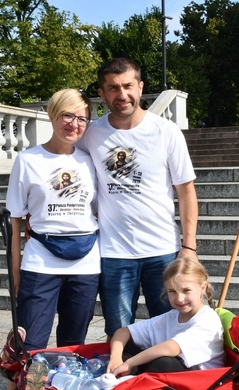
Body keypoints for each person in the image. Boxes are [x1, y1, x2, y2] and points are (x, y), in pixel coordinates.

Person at [0, 88, 100, 390]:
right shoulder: (28, 160)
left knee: (73, 349)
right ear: (53, 116)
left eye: (82, 118)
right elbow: (16, 222)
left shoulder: (90, 160)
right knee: (31, 353)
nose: (75, 124)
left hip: (86, 264)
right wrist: (16, 273)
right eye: (68, 116)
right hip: (40, 261)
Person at [81, 57, 199, 339]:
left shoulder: (165, 131)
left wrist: (189, 247)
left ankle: (162, 381)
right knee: (118, 332)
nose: (122, 95)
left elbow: (186, 190)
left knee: (171, 328)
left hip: (162, 249)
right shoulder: (92, 134)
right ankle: (122, 381)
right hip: (114, 253)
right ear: (102, 93)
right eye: (112, 88)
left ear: (140, 86)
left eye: (128, 86)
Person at [107, 257, 224, 377]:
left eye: (186, 290)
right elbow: (123, 331)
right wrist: (115, 358)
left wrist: (129, 363)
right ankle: (118, 380)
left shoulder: (208, 320)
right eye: (172, 291)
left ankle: (132, 383)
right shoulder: (172, 316)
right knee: (124, 348)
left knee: (163, 362)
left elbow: (172, 348)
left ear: (202, 288)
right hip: (176, 377)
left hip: (202, 384)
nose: (179, 298)